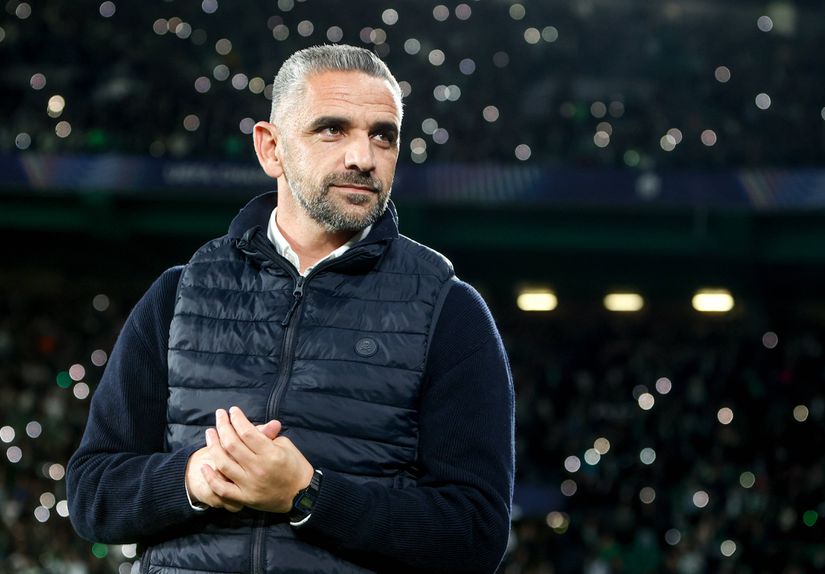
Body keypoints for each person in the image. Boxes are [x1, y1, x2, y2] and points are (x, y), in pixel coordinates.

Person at [66, 45, 515, 573]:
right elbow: (91, 494)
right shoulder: (177, 294)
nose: (363, 157)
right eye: (332, 129)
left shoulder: (450, 309)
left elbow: (475, 534)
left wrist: (309, 495)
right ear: (271, 148)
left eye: (383, 136)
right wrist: (194, 478)